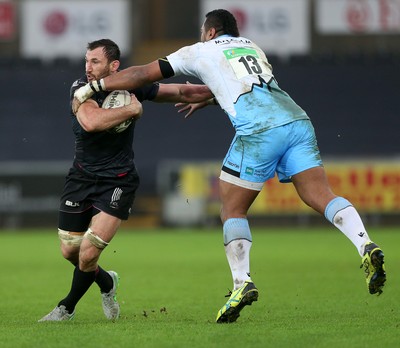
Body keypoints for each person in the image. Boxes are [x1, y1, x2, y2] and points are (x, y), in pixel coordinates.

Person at [73, 11, 386, 323]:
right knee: (321, 194)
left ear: (210, 32)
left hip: (259, 130)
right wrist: (210, 99)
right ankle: (365, 244)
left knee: (232, 209)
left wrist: (94, 88)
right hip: (296, 120)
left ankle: (242, 284)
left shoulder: (198, 51)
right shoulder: (252, 47)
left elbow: (143, 73)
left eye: (201, 31)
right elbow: (249, 85)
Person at [38, 39, 213, 322]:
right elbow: (91, 122)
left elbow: (181, 90)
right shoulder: (80, 88)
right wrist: (131, 110)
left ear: (114, 65)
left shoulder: (131, 85)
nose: (88, 67)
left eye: (95, 62)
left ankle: (65, 308)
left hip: (118, 181)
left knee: (88, 253)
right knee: (70, 250)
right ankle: (107, 283)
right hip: (81, 178)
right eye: (87, 61)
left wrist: (219, 92)